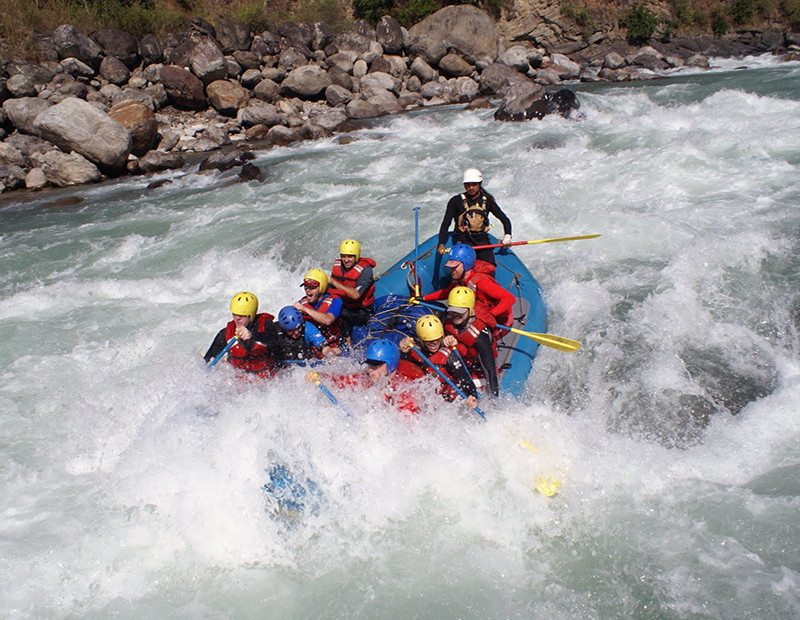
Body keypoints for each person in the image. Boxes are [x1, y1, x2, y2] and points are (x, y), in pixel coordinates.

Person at [306, 339, 424, 415]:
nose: (371, 370)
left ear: (391, 365)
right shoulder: (367, 378)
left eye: (377, 365)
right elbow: (341, 381)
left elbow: (408, 424)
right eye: (369, 364)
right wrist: (319, 375)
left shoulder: (403, 388)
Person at [420, 243, 516, 328]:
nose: (452, 270)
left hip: (501, 320)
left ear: (466, 265)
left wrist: (491, 314)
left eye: (455, 267)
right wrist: (424, 298)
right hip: (479, 313)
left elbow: (509, 298)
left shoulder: (481, 282)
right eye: (451, 267)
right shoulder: (458, 279)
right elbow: (448, 292)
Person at [399, 314, 479, 408]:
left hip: (447, 404)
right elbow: (401, 369)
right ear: (421, 339)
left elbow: (466, 380)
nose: (434, 343)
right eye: (429, 340)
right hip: (424, 401)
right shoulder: (413, 352)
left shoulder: (448, 356)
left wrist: (472, 396)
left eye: (437, 339)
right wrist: (403, 351)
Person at [436, 168, 513, 266]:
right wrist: (441, 244)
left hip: (482, 240)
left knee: (489, 267)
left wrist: (507, 236)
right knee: (462, 270)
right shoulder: (455, 201)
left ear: (480, 184)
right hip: (463, 241)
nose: (471, 188)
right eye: (468, 185)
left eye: (474, 184)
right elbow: (446, 224)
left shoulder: (487, 200)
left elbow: (505, 220)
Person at [442, 286, 500, 397]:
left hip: (477, 370)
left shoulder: (479, 335)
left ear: (470, 309)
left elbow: (489, 370)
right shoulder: (448, 317)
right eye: (453, 311)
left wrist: (494, 399)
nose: (455, 315)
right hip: (457, 366)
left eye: (460, 311)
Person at [203, 291, 278, 376]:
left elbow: (275, 340)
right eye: (234, 314)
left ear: (251, 315)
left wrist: (253, 335)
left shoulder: (266, 325)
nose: (237, 318)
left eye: (242, 315)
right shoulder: (225, 333)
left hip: (265, 378)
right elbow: (207, 360)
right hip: (238, 381)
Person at [328, 239, 376, 345]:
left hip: (362, 311)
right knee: (343, 333)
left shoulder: (366, 270)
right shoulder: (337, 267)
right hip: (345, 309)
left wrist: (333, 282)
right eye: (343, 256)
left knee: (367, 335)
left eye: (350, 256)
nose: (346, 260)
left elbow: (355, 295)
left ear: (356, 256)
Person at [294, 268, 344, 350]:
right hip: (311, 347)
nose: (308, 290)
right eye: (306, 287)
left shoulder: (336, 301)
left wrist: (305, 309)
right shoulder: (302, 302)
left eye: (312, 287)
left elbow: (328, 320)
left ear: (321, 288)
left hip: (332, 345)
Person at [272, 306, 337, 365]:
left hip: (304, 365)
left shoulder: (308, 328)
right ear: (284, 328)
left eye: (298, 328)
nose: (296, 332)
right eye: (291, 330)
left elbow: (324, 348)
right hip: (280, 365)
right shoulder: (274, 331)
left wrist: (333, 358)